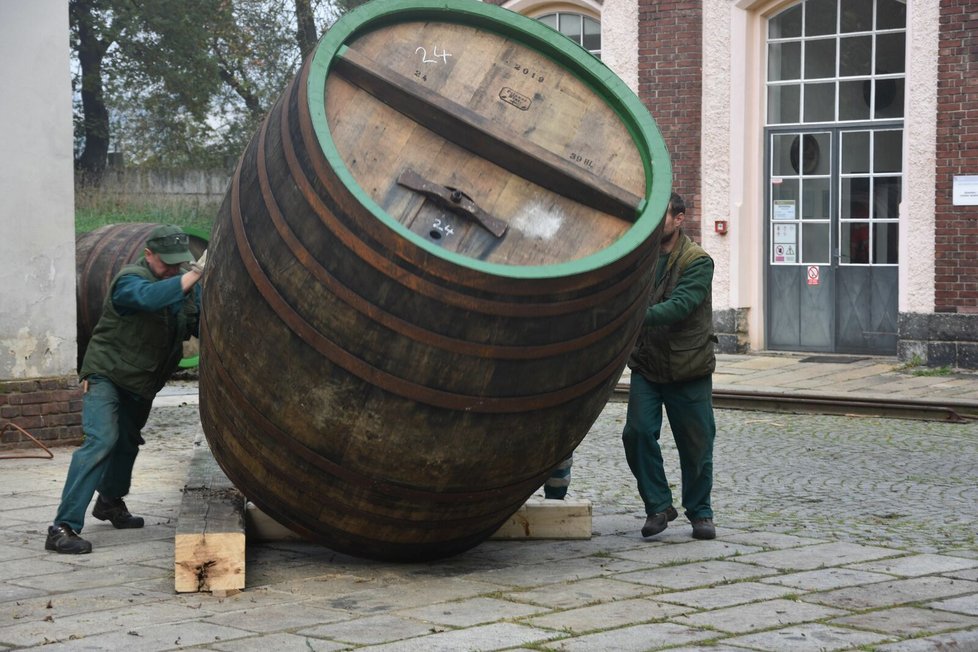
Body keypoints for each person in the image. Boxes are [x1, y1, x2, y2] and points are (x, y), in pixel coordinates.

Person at [45, 225, 206, 554]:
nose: (174, 270)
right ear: (148, 255)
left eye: (179, 264)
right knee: (101, 440)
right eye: (166, 263)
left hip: (141, 384)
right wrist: (194, 275)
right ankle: (62, 527)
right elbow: (149, 299)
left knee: (128, 443)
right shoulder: (130, 280)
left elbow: (201, 325)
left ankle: (109, 502)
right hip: (106, 376)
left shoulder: (184, 289)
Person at [622, 192, 718, 540]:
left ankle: (701, 513)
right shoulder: (639, 258)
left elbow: (680, 306)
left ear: (679, 219)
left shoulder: (697, 261)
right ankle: (658, 506)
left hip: (688, 367)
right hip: (647, 364)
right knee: (637, 433)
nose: (652, 223)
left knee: (696, 445)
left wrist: (629, 317)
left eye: (660, 216)